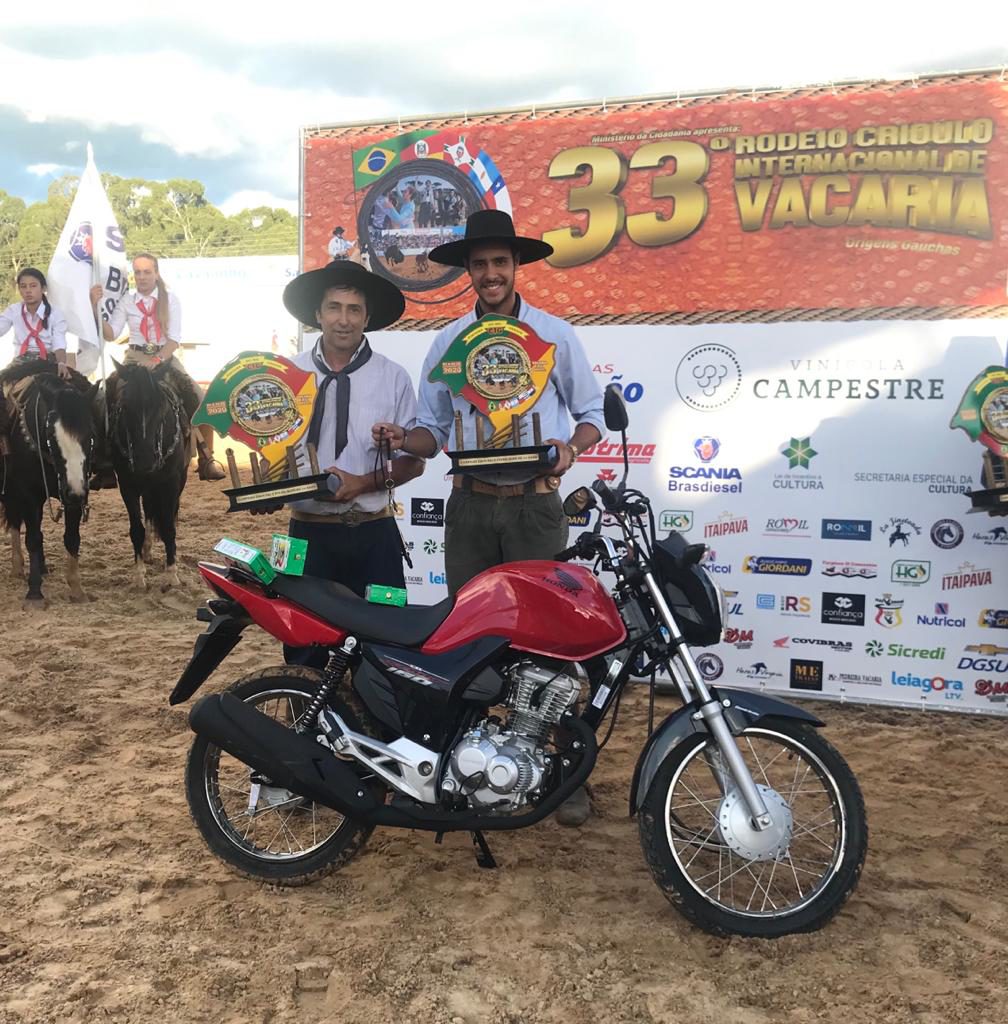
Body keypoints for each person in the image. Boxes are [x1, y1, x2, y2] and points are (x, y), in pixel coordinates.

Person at [371, 209, 603, 827]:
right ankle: (461, 763)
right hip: (470, 505)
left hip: (535, 504)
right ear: (468, 272)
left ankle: (563, 773)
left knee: (551, 645)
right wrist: (404, 437)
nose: (491, 273)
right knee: (465, 643)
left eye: (500, 262)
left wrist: (571, 449)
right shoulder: (446, 343)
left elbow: (589, 413)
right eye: (480, 264)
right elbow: (432, 429)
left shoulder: (553, 336)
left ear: (516, 266)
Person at [280, 261, 425, 667]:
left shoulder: (393, 378)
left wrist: (364, 483)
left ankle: (375, 728)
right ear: (317, 314)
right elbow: (272, 453)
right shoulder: (289, 374)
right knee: (303, 644)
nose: (343, 320)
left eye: (354, 310)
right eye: (334, 307)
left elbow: (414, 464)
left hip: (374, 535)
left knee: (387, 641)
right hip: (307, 537)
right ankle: (303, 726)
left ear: (367, 317)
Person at [89, 252, 226, 482]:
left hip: (164, 356)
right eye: (138, 272)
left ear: (156, 273)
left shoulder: (170, 300)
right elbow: (111, 334)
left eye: (146, 272)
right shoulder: (127, 301)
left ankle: (206, 458)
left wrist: (158, 359)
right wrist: (95, 307)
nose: (141, 277)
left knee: (198, 397)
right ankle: (105, 461)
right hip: (134, 358)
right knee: (104, 398)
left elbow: (173, 339)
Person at [0, 268, 72, 379]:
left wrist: (61, 363)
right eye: (23, 286)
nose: (28, 290)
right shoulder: (13, 311)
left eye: (33, 286)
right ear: (19, 289)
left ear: (43, 288)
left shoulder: (56, 314)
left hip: (47, 361)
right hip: (20, 363)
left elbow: (59, 343)